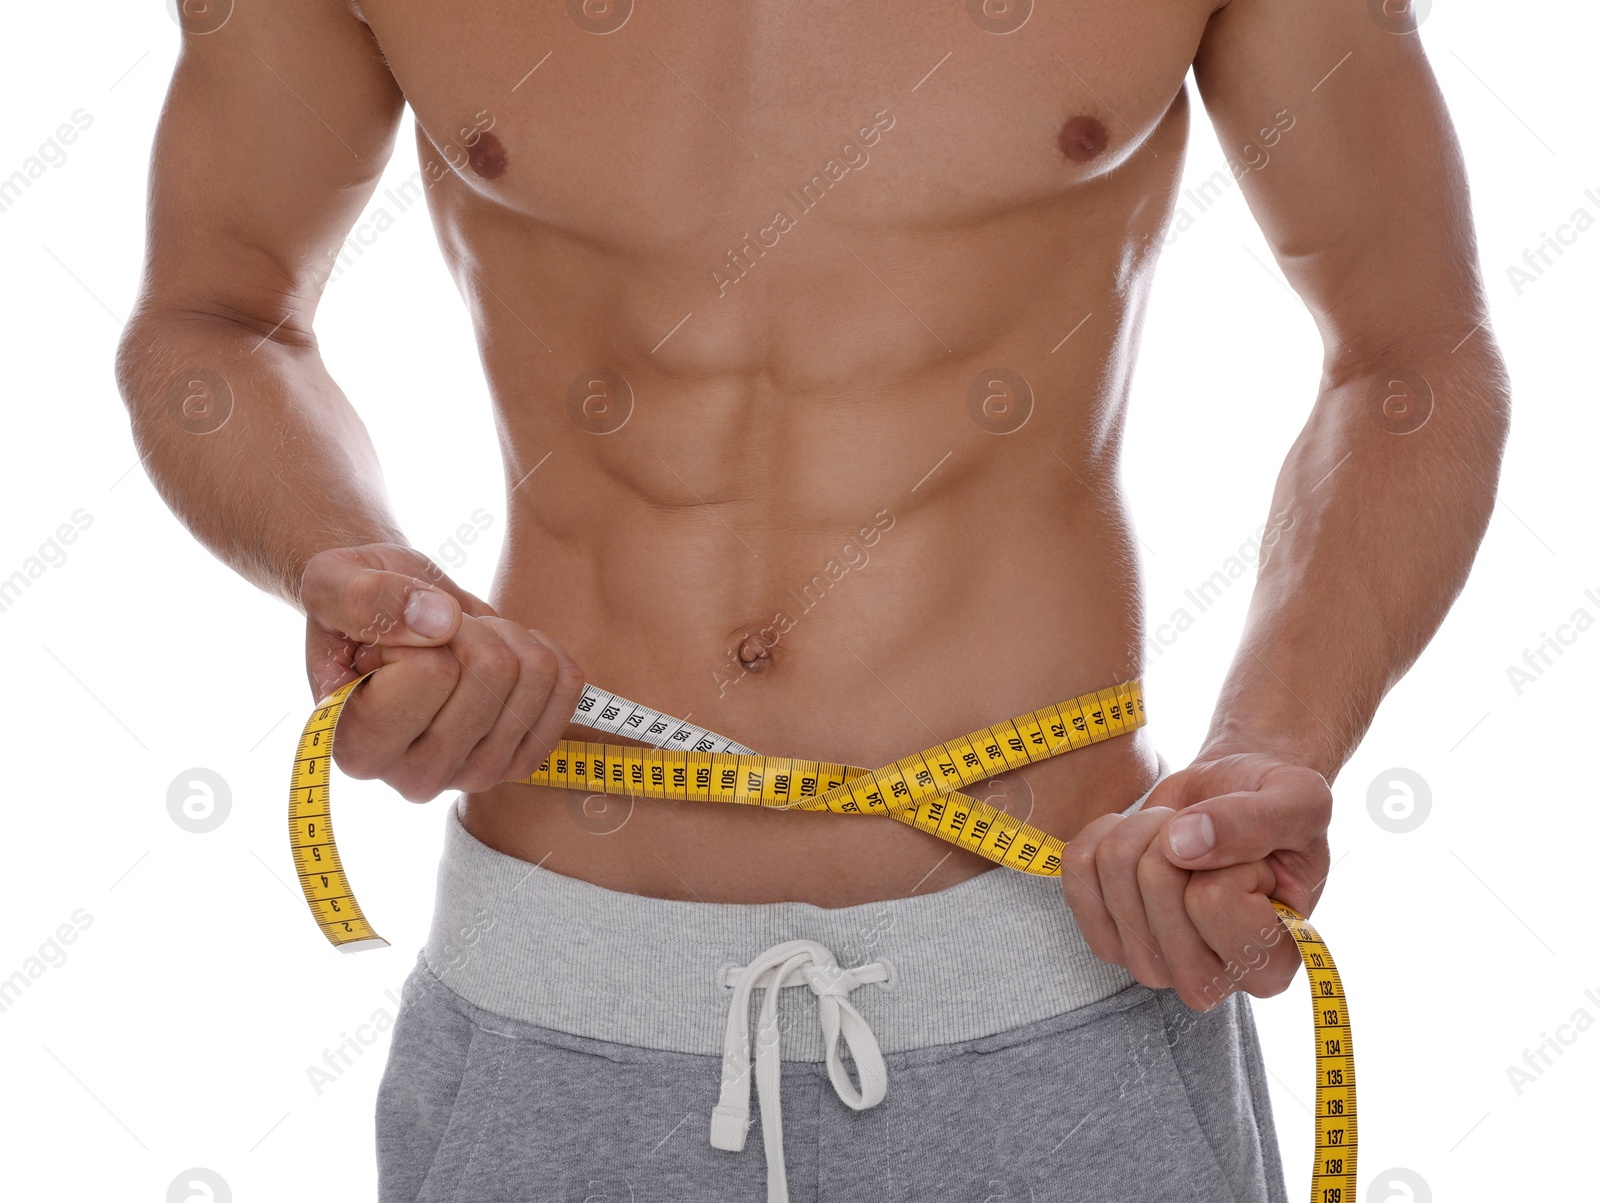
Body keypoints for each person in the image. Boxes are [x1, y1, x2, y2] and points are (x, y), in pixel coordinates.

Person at [116, 1, 1508, 1199]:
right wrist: (358, 564)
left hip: (1063, 998)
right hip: (560, 998)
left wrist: (1271, 747)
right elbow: (218, 312)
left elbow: (1411, 355)